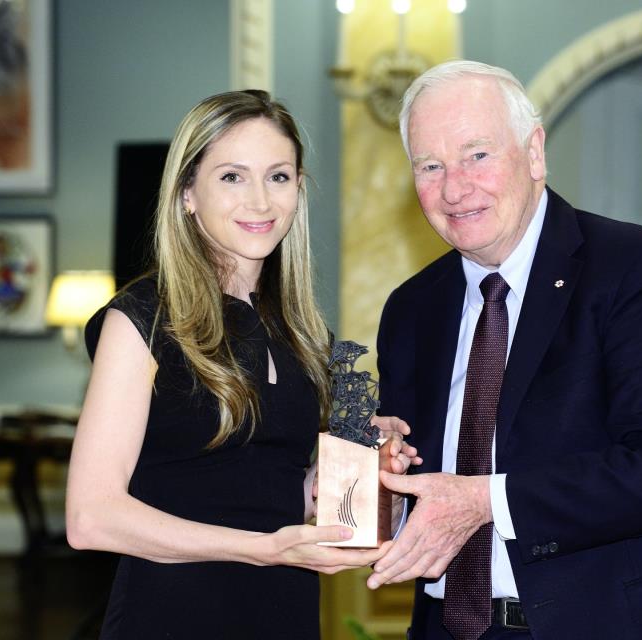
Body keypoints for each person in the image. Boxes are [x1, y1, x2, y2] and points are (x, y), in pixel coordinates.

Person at [366, 61, 642, 640]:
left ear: (535, 152)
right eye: (430, 165)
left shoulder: (638, 268)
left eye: (477, 155)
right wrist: (376, 485)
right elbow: (424, 492)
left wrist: (487, 500)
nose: (454, 187)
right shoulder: (411, 308)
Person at [65, 89, 418, 640]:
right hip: (171, 618)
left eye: (278, 177)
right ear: (187, 193)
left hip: (285, 615)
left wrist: (351, 476)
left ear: (298, 190)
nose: (260, 201)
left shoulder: (302, 333)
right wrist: (264, 549)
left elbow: (261, 491)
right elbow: (91, 518)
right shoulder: (142, 318)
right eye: (232, 177)